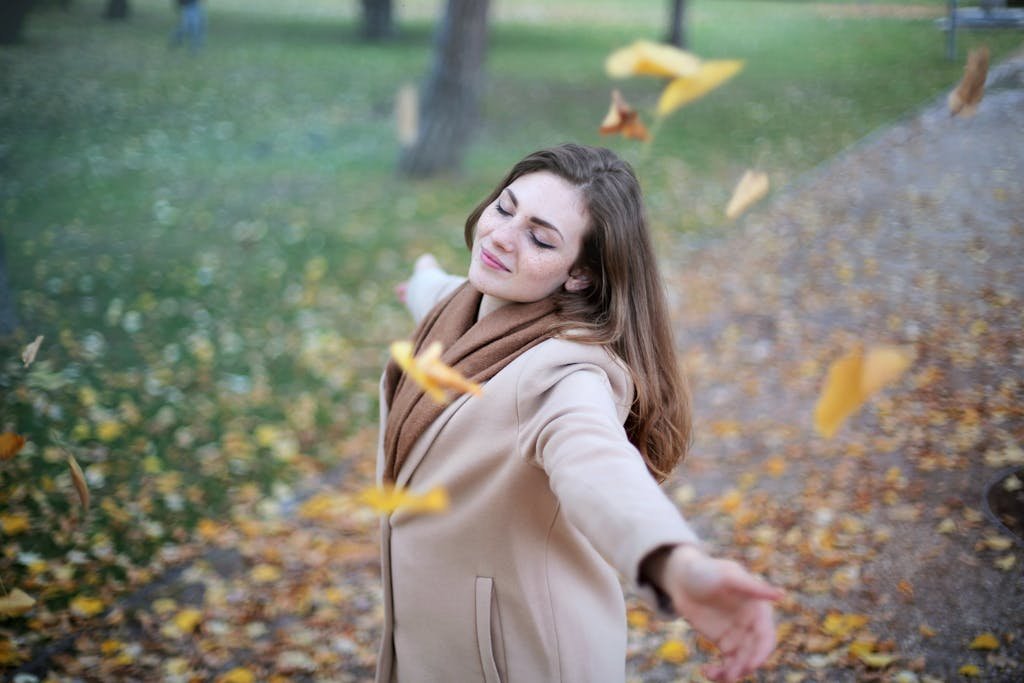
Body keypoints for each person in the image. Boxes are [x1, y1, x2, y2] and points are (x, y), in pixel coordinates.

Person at [378, 143, 782, 683]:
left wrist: (676, 564)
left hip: (522, 660)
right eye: (505, 208)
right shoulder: (461, 305)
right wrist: (422, 279)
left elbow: (596, 461)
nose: (501, 236)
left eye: (540, 237)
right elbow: (440, 294)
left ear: (580, 276)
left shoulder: (565, 374)